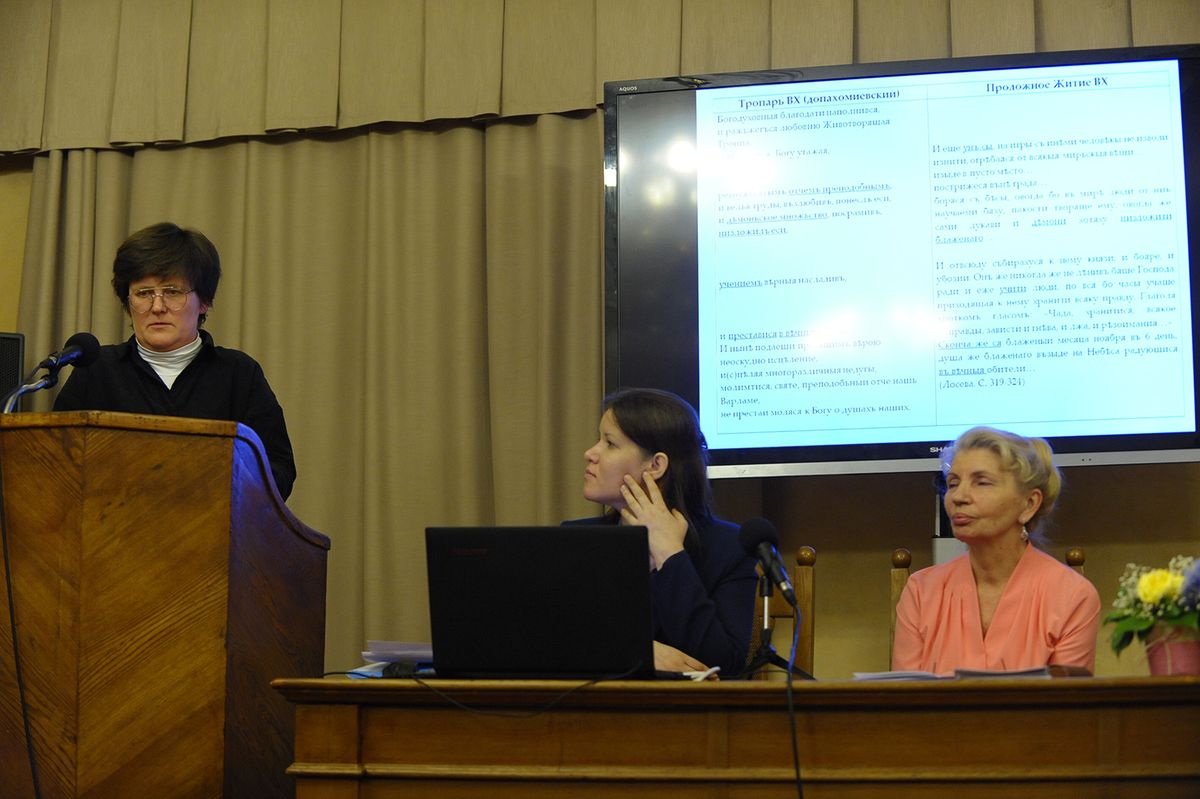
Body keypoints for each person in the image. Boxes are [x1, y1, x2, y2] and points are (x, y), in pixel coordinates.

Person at [53, 222, 297, 500]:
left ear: (204, 301)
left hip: (213, 522)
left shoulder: (239, 373)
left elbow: (279, 471)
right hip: (110, 522)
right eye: (143, 293)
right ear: (128, 302)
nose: (157, 307)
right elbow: (57, 464)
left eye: (172, 292)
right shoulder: (96, 369)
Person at [567, 387, 758, 676]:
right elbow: (552, 642)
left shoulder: (730, 548)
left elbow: (725, 666)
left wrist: (670, 555)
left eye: (610, 443)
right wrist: (636, 651)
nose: (590, 453)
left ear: (656, 465)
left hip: (691, 705)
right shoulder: (576, 540)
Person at [892, 426, 1101, 674]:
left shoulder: (1072, 596)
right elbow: (905, 696)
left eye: (981, 482)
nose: (958, 497)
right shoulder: (921, 592)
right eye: (953, 483)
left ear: (1029, 504)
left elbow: (1067, 699)